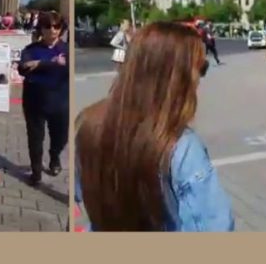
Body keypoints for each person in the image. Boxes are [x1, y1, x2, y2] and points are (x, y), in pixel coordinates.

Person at [75, 22, 233, 231]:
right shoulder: (180, 145)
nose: (200, 79)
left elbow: (78, 194)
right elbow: (212, 227)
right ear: (176, 75)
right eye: (200, 68)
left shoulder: (88, 122)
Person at [18, 12, 69, 186]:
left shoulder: (67, 49)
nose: (52, 30)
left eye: (56, 27)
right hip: (34, 100)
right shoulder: (31, 50)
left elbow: (66, 66)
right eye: (47, 26)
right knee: (35, 138)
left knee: (61, 136)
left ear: (61, 29)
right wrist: (52, 62)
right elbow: (23, 68)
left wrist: (39, 64)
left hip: (60, 101)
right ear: (41, 28)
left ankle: (54, 156)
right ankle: (36, 171)